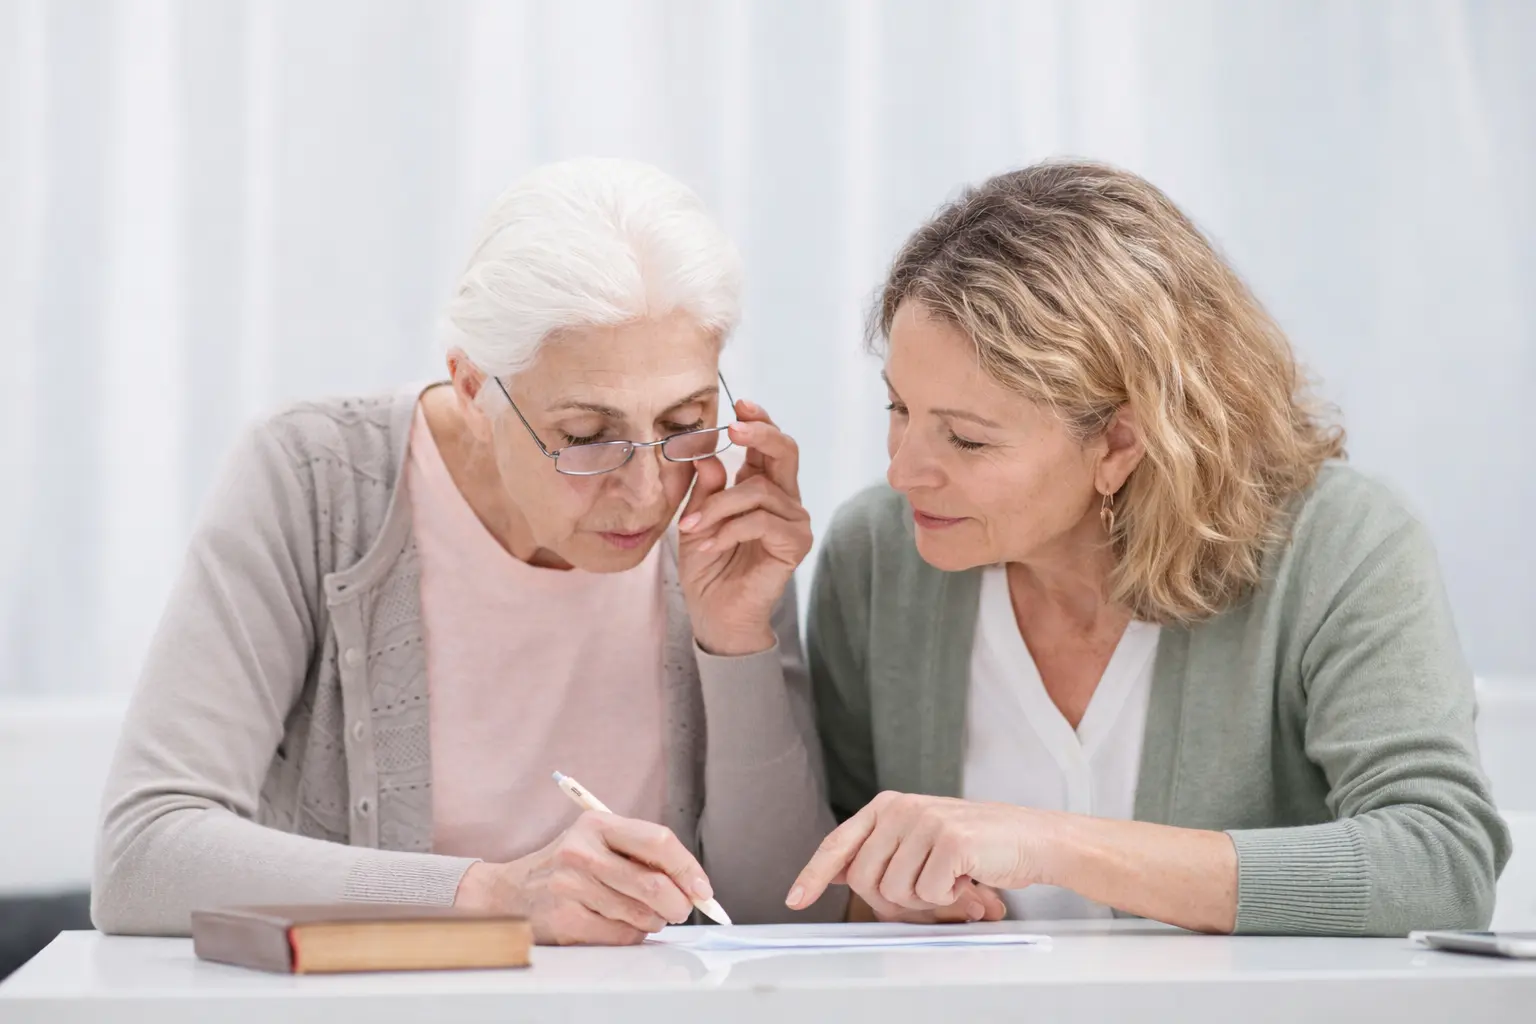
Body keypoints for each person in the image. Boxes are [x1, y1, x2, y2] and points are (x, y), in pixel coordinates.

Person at [93, 158, 844, 944]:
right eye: (587, 437)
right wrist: (487, 897)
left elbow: (785, 911)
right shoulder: (314, 480)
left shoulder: (720, 516)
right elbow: (141, 858)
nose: (650, 490)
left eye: (684, 418)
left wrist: (736, 641)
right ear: (471, 387)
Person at [787, 161, 1511, 935]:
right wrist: (879, 892)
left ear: (1120, 441)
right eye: (900, 407)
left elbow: (1440, 864)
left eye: (966, 438)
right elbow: (830, 870)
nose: (902, 471)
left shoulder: (1338, 547)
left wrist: (1048, 842)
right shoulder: (876, 559)